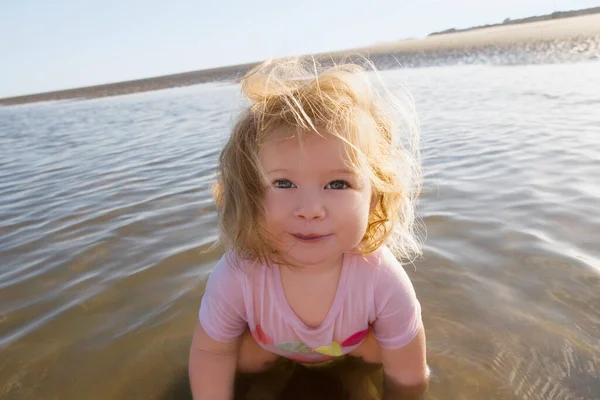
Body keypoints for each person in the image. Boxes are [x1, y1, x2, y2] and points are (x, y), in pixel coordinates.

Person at [189, 57, 428, 399]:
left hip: (353, 349)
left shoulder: (381, 277)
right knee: (237, 356)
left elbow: (409, 375)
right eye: (283, 183)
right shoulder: (238, 274)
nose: (311, 210)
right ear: (248, 193)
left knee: (383, 351)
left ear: (375, 197)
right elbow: (210, 352)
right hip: (269, 350)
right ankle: (270, 383)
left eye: (338, 184)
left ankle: (353, 379)